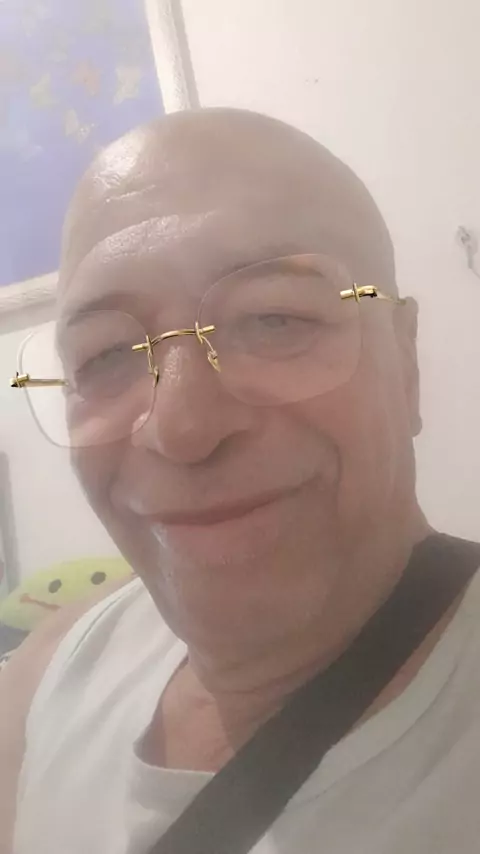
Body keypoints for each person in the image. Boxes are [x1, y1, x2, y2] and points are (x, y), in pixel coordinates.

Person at [1, 108, 479, 854]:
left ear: (406, 364)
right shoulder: (53, 668)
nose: (182, 428)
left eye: (274, 319)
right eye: (104, 355)